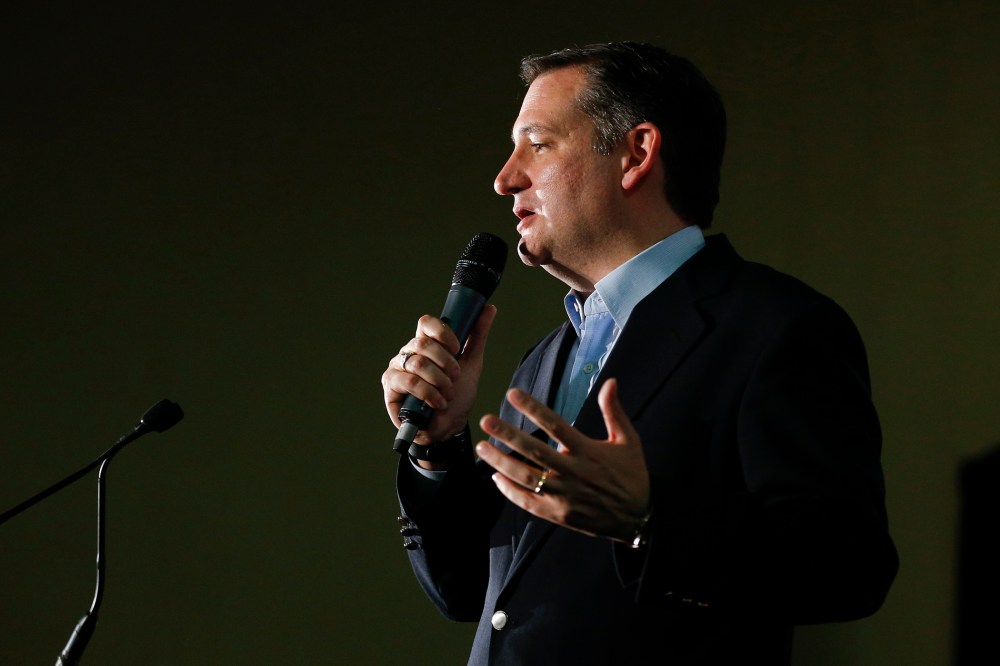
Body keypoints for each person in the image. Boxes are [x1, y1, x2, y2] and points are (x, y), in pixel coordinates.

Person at [381, 41, 898, 665]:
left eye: (537, 144)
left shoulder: (777, 326)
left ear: (636, 153)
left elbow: (849, 569)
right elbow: (474, 594)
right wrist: (440, 443)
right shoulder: (542, 361)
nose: (505, 177)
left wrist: (648, 521)